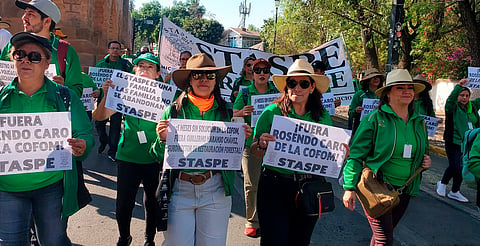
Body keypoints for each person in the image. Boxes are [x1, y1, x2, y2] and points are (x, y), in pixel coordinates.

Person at [0, 32, 94, 245]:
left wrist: (82, 145)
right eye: (19, 55)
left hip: (50, 187)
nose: (25, 60)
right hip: (8, 189)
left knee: (53, 241)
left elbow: (84, 133)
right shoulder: (2, 98)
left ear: (46, 63)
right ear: (12, 58)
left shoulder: (65, 96)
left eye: (34, 57)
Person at [152, 53, 252, 246]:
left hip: (216, 189)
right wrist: (161, 139)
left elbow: (240, 154)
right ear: (190, 79)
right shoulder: (173, 111)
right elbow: (156, 155)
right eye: (197, 75)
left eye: (209, 75)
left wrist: (245, 137)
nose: (204, 79)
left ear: (216, 81)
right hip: (180, 190)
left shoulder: (228, 113)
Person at [342, 69, 431, 246]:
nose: (407, 91)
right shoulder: (374, 119)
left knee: (381, 237)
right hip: (376, 188)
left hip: (404, 190)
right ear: (388, 93)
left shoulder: (418, 122)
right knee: (384, 240)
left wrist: (425, 161)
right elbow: (356, 155)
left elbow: (422, 150)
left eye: (410, 88)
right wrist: (349, 187)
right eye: (400, 88)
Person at [253, 59, 332, 245]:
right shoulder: (271, 112)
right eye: (292, 83)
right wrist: (261, 144)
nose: (297, 88)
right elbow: (255, 150)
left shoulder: (322, 117)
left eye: (303, 83)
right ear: (286, 87)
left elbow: (328, 154)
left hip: (308, 186)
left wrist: (339, 153)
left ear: (312, 87)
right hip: (274, 185)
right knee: (274, 240)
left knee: (300, 241)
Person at [93, 53, 163, 246]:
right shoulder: (124, 92)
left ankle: (150, 238)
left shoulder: (166, 96)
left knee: (152, 202)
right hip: (127, 156)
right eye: (141, 66)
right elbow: (99, 117)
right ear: (134, 70)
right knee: (124, 203)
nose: (144, 70)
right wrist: (106, 96)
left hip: (154, 158)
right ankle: (124, 237)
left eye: (150, 67)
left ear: (157, 74)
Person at [232, 58, 279, 238]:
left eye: (265, 70)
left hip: (273, 145)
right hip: (250, 145)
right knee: (251, 184)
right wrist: (242, 112)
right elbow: (232, 115)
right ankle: (252, 220)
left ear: (269, 73)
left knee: (274, 184)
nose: (261, 73)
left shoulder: (277, 93)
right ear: (252, 73)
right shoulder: (244, 94)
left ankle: (271, 219)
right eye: (257, 70)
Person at [1, 0, 84, 97]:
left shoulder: (65, 50)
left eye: (30, 14)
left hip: (50, 110)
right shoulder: (12, 46)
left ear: (47, 21)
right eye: (25, 13)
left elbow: (77, 90)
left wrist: (63, 88)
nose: (24, 17)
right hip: (16, 109)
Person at [437, 78, 480, 202]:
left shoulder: (472, 107)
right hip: (453, 141)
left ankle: (455, 191)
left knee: (461, 167)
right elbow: (450, 100)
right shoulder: (452, 107)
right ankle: (443, 183)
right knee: (456, 165)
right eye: (462, 95)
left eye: (467, 95)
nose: (464, 98)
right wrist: (459, 86)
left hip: (468, 142)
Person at [94, 40, 133, 162]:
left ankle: (112, 151)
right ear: (108, 50)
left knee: (115, 126)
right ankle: (103, 140)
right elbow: (96, 82)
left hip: (118, 100)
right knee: (99, 123)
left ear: (120, 51)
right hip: (103, 99)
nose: (115, 50)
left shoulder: (126, 65)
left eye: (117, 48)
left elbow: (132, 80)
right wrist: (97, 91)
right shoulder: (100, 64)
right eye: (113, 48)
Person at [347, 68, 384, 133]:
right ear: (368, 80)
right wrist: (356, 110)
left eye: (378, 77)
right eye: (373, 77)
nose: (376, 79)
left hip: (379, 128)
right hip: (362, 128)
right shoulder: (359, 94)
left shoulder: (384, 95)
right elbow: (350, 113)